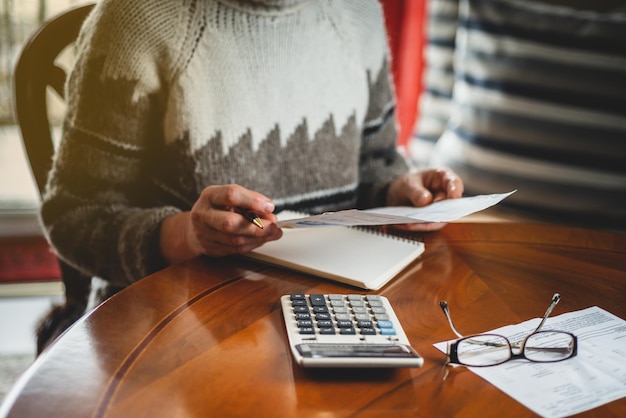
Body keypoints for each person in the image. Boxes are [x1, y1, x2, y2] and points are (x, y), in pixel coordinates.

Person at [38, 0, 463, 349]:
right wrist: (186, 234)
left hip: (335, 317)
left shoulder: (358, 13)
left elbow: (374, 162)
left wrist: (397, 191)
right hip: (171, 333)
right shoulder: (138, 19)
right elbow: (73, 215)